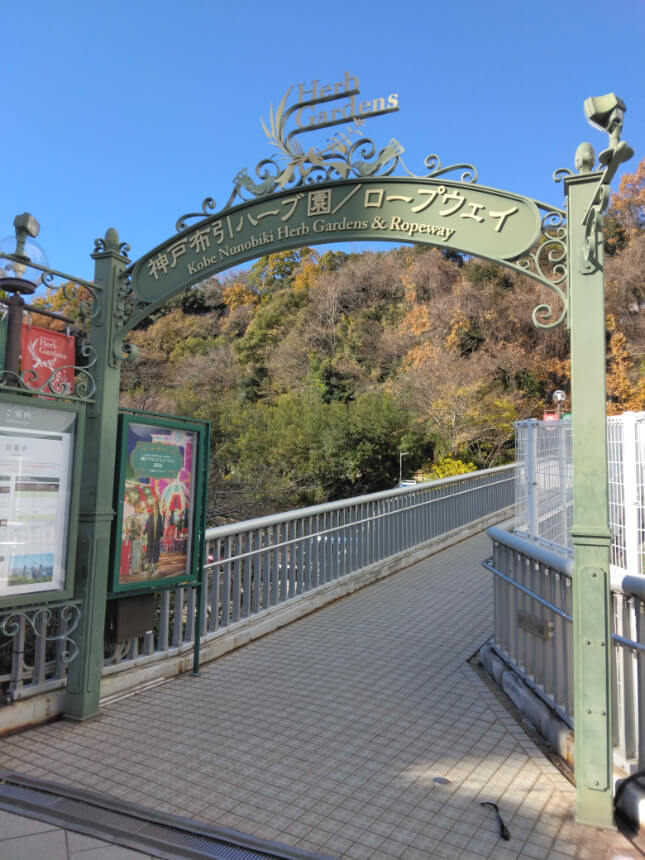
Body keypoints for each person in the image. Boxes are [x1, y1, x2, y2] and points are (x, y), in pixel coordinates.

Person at [144, 501, 164, 573]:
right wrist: (144, 532)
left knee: (155, 552)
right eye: (154, 506)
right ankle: (149, 567)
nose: (155, 508)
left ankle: (154, 567)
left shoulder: (159, 516)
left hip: (157, 537)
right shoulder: (150, 515)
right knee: (149, 551)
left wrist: (161, 534)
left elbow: (161, 525)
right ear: (153, 508)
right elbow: (147, 525)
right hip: (150, 537)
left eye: (156, 506)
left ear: (158, 507)